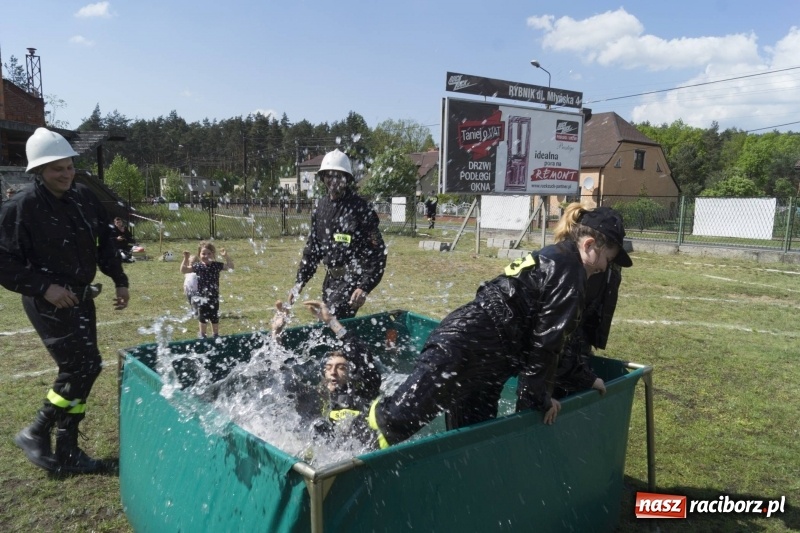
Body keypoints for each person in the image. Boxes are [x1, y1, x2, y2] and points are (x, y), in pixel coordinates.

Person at [366, 204, 632, 448]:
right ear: (589, 245)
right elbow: (546, 347)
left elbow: (555, 342)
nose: (605, 269)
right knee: (390, 423)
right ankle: (339, 457)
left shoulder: (556, 257)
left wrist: (579, 380)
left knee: (473, 441)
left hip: (480, 358)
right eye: (607, 260)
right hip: (462, 352)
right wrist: (538, 402)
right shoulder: (571, 273)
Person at [0, 127, 130, 473]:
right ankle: (37, 430)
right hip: (48, 301)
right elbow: (3, 261)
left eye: (69, 166)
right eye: (57, 168)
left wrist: (119, 279)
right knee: (81, 367)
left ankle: (68, 448)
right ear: (38, 171)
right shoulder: (20, 208)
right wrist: (44, 288)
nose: (66, 173)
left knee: (85, 368)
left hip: (81, 297)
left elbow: (105, 241)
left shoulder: (85, 198)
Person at [287, 149, 386, 319]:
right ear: (323, 178)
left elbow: (378, 253)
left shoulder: (360, 209)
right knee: (331, 327)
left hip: (352, 280)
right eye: (329, 176)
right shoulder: (321, 208)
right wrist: (299, 283)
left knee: (332, 321)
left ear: (347, 178)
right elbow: (313, 250)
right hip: (331, 280)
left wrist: (364, 287)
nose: (334, 181)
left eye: (339, 176)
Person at [272, 300, 381, 445]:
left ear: (350, 373)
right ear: (323, 374)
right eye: (329, 368)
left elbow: (361, 353)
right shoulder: (311, 395)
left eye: (341, 367)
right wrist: (276, 333)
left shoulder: (363, 392)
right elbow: (281, 374)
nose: (334, 372)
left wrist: (331, 321)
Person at [180, 242, 233, 338]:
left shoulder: (216, 265)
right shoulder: (198, 266)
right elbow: (183, 270)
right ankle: (203, 335)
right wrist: (186, 258)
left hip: (214, 297)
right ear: (199, 255)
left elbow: (230, 267)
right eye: (203, 253)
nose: (206, 256)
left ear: (213, 254)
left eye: (209, 253)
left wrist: (226, 256)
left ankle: (216, 335)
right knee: (202, 317)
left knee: (214, 317)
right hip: (201, 297)